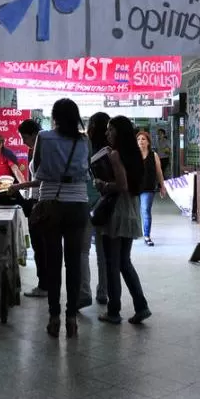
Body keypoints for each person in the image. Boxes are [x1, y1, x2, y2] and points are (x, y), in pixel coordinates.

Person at [31, 99, 90, 338]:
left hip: (50, 203)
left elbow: (35, 169)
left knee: (53, 263)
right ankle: (72, 319)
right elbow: (86, 169)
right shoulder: (84, 140)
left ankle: (54, 317)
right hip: (77, 203)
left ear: (54, 116)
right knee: (74, 263)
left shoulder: (43, 137)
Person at [95, 115, 151, 325]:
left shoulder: (116, 154)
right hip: (130, 210)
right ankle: (141, 305)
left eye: (111, 130)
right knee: (124, 261)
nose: (107, 133)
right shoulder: (134, 154)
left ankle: (113, 311)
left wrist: (102, 184)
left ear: (120, 132)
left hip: (116, 211)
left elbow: (122, 185)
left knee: (112, 263)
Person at [9, 119, 47, 298]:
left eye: (25, 137)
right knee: (40, 246)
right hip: (35, 198)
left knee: (41, 246)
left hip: (40, 201)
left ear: (33, 134)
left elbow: (42, 180)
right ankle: (45, 284)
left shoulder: (43, 150)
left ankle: (44, 285)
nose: (23, 142)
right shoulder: (36, 148)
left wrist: (18, 187)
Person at [85, 113, 111, 306]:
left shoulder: (84, 145)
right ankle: (103, 290)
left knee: (82, 249)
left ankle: (83, 290)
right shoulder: (112, 149)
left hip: (85, 200)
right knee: (103, 251)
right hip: (105, 201)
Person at [136, 130, 166, 246]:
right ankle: (136, 232)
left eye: (143, 139)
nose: (140, 141)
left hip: (148, 188)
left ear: (148, 142)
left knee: (145, 210)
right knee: (135, 212)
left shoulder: (154, 155)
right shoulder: (133, 155)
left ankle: (147, 236)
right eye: (138, 139)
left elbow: (159, 172)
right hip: (134, 188)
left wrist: (162, 186)